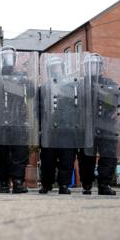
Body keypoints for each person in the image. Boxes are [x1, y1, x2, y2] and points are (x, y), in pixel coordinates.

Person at [78, 54, 120, 195]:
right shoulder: (79, 84)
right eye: (90, 65)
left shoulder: (109, 83)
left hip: (107, 126)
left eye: (95, 65)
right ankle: (87, 184)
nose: (93, 68)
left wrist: (101, 94)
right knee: (86, 157)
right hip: (87, 126)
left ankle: (104, 184)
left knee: (108, 155)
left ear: (101, 67)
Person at [0, 47, 38, 194]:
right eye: (5, 56)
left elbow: (31, 93)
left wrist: (27, 80)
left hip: (18, 121)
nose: (8, 59)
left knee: (20, 154)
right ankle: (3, 182)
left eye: (11, 56)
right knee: (2, 156)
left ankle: (18, 182)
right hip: (0, 124)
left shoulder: (21, 77)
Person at [38, 54, 85, 194]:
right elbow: (38, 108)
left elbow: (78, 107)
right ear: (48, 70)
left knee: (67, 159)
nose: (55, 70)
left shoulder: (72, 85)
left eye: (58, 67)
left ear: (63, 68)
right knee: (47, 160)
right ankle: (46, 184)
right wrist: (40, 126)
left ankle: (64, 185)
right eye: (53, 67)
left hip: (68, 129)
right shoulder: (44, 87)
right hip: (50, 130)